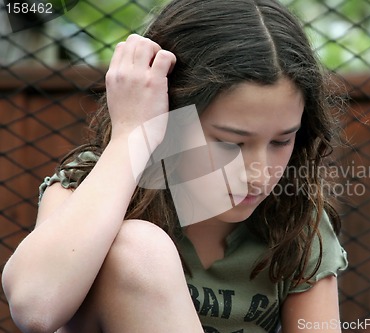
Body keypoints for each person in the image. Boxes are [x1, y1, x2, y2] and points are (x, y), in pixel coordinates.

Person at [1, 0, 348, 332]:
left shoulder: (295, 215)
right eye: (231, 142)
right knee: (136, 248)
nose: (258, 172)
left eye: (281, 141)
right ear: (170, 116)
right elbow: (36, 308)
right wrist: (130, 138)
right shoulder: (90, 184)